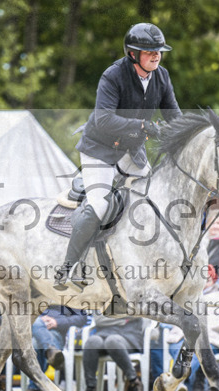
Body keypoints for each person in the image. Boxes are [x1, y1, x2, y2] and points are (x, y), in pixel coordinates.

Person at [54, 22, 181, 291]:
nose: (156, 56)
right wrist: (143, 126)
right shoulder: (113, 76)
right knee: (100, 205)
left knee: (153, 199)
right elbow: (104, 120)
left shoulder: (161, 76)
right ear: (133, 54)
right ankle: (69, 267)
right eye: (150, 52)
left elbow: (174, 116)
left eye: (158, 51)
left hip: (131, 151)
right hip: (100, 150)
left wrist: (192, 134)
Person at [21, 305, 88, 391]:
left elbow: (81, 318)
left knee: (36, 344)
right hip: (34, 333)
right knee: (36, 323)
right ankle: (50, 350)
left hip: (57, 335)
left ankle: (33, 389)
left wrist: (57, 322)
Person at [81, 314, 146, 391]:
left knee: (112, 341)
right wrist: (123, 320)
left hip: (128, 336)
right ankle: (90, 388)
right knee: (92, 342)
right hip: (103, 334)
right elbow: (99, 320)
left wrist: (110, 318)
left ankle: (134, 382)